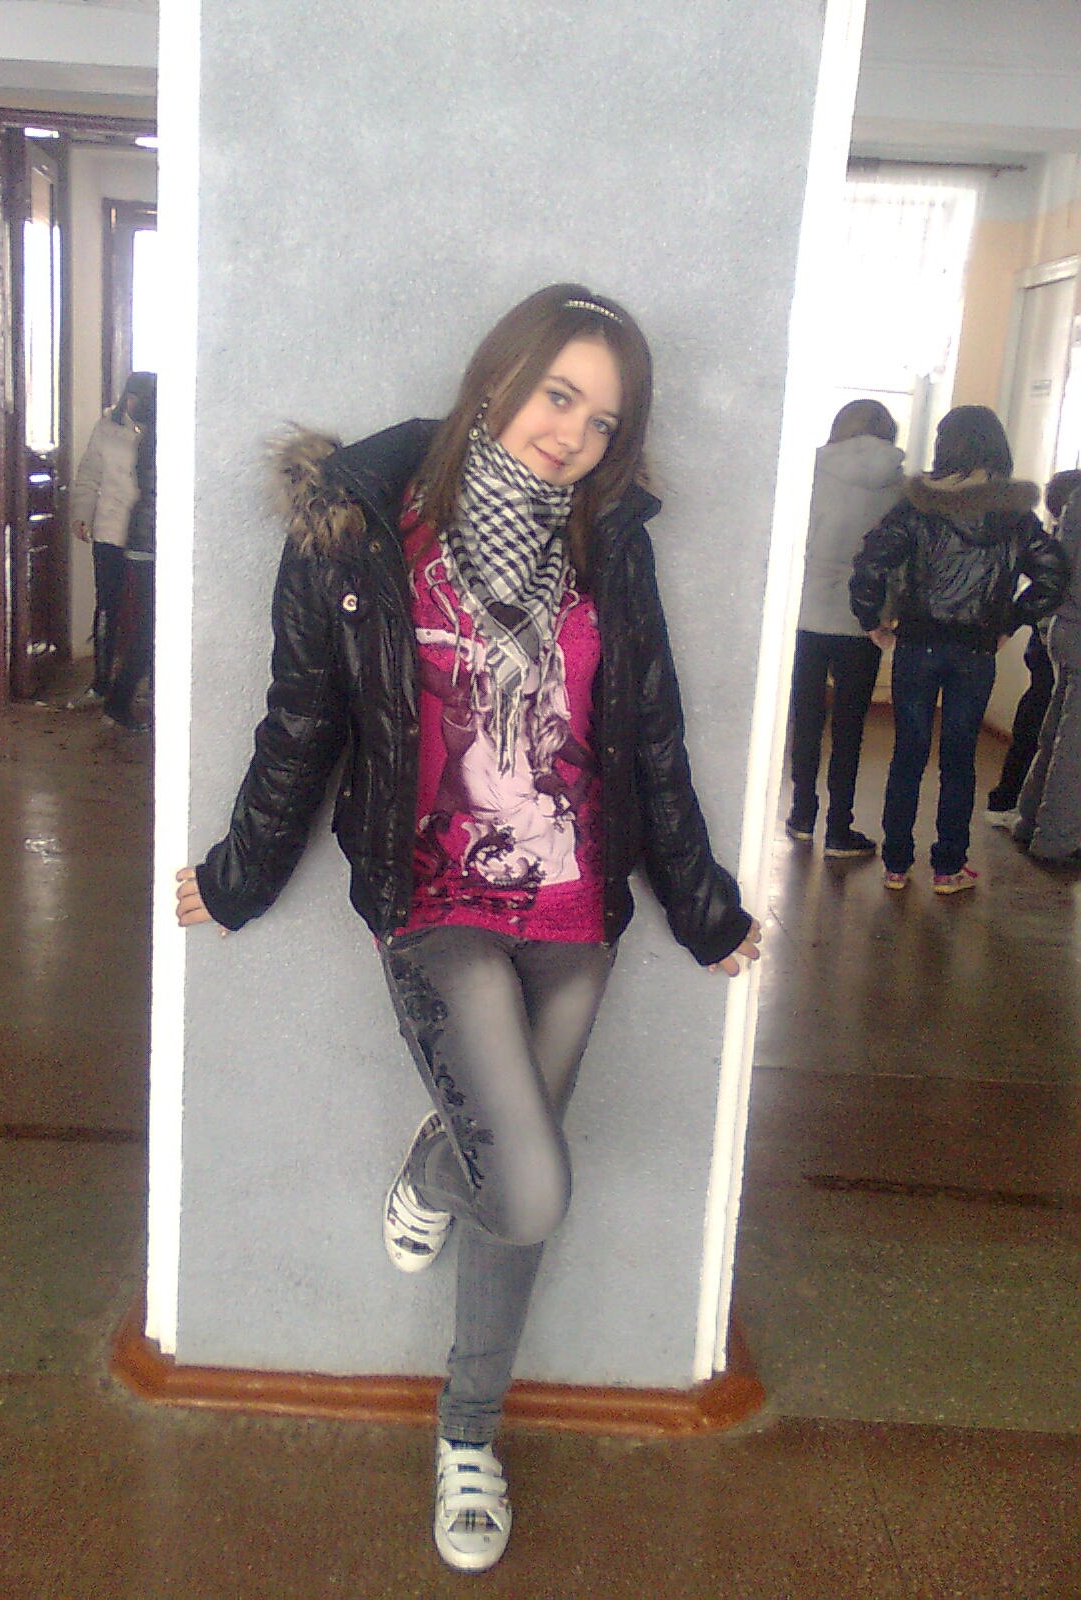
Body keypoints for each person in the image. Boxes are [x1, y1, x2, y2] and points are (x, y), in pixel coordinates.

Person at [174, 284, 761, 1573]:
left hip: (573, 905)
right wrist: (238, 874)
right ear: (498, 376)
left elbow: (651, 731)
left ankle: (468, 1430)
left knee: (512, 1191)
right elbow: (302, 723)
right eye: (559, 395)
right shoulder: (360, 532)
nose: (573, 437)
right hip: (434, 901)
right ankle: (443, 1171)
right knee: (530, 1183)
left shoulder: (608, 542)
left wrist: (703, 902)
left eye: (603, 422)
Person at [850, 404, 1068, 894]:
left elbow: (871, 562)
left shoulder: (917, 505)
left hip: (917, 645)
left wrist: (871, 621)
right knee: (960, 758)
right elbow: (1053, 575)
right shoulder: (1014, 515)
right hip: (975, 651)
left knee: (907, 754)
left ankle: (896, 864)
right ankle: (948, 868)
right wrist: (1009, 622)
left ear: (945, 445)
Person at [785, 399, 905, 856]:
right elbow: (899, 559)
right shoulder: (900, 485)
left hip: (807, 614)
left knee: (806, 719)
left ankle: (801, 814)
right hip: (864, 620)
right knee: (851, 727)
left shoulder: (812, 472)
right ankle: (839, 829)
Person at [985, 468, 1081, 823]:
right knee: (1045, 728)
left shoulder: (1057, 539)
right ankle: (1020, 804)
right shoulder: (1060, 544)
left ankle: (1010, 799)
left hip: (1045, 643)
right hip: (1056, 640)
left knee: (1036, 721)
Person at [69, 371, 156, 706]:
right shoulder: (106, 428)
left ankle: (152, 685)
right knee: (108, 604)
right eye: (131, 395)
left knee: (151, 610)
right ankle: (101, 682)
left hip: (148, 535)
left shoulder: (164, 430)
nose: (135, 402)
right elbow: (89, 475)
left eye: (142, 396)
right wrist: (82, 514)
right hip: (110, 530)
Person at [1013, 481, 1081, 862]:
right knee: (1073, 748)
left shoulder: (1077, 498)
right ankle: (1057, 839)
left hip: (1065, 626)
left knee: (1056, 734)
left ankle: (1029, 820)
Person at [102, 378, 157, 734]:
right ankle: (120, 702)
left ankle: (120, 702)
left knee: (144, 627)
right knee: (147, 629)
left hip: (143, 539)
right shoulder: (161, 438)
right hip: (151, 542)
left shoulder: (149, 436)